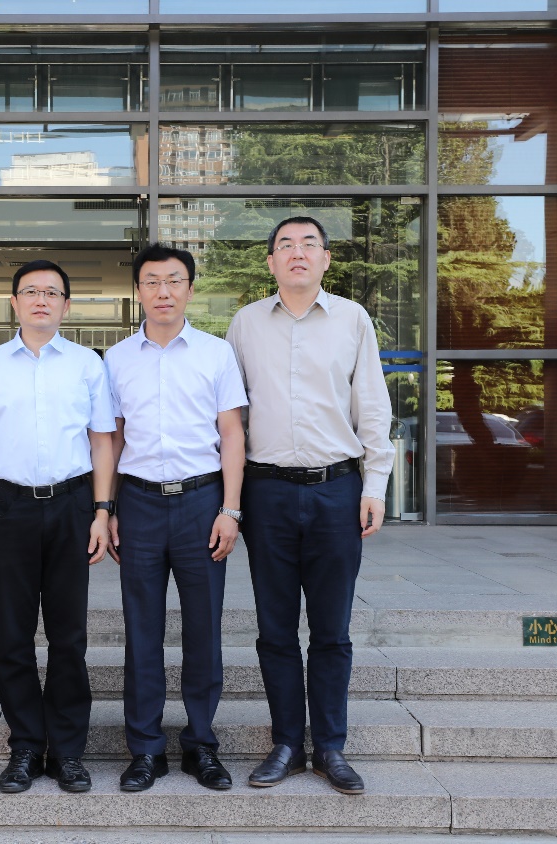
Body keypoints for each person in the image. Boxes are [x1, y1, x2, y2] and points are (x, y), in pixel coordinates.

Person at [225, 217, 393, 795]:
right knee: (274, 628)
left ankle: (330, 747)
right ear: (271, 261)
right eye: (285, 245)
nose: (297, 253)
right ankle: (286, 744)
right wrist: (230, 500)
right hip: (266, 491)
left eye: (309, 244)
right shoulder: (246, 323)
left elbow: (372, 405)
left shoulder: (352, 319)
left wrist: (375, 486)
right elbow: (230, 416)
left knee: (331, 629)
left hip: (335, 490)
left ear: (326, 258)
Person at [0, 259, 116, 794]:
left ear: (66, 305)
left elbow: (102, 442)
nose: (41, 300)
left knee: (69, 637)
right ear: (14, 303)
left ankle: (67, 750)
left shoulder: (87, 365)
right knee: (13, 637)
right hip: (9, 509)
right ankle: (25, 746)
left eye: (51, 292)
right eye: (30, 291)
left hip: (72, 506)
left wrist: (102, 512)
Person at [104, 243, 247, 793]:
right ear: (139, 290)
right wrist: (108, 508)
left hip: (201, 502)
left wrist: (230, 509)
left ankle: (201, 745)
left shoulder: (215, 353)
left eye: (173, 281)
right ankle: (145, 749)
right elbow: (113, 439)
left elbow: (232, 434)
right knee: (141, 631)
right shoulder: (117, 359)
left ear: (189, 288)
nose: (162, 291)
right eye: (152, 282)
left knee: (203, 629)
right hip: (138, 503)